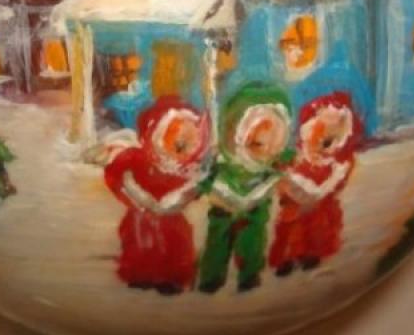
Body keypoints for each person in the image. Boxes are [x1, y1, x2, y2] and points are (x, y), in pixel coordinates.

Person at [103, 97, 210, 294]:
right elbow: (118, 173)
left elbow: (195, 188)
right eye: (177, 141)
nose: (182, 147)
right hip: (141, 215)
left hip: (172, 219)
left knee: (175, 243)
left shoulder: (185, 171)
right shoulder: (138, 158)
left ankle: (172, 278)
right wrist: (135, 194)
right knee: (140, 240)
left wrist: (181, 197)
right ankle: (140, 274)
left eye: (188, 143)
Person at [197, 82, 293, 293]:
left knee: (252, 242)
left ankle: (249, 276)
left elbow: (288, 164)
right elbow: (206, 178)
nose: (266, 151)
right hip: (223, 204)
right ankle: (211, 278)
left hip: (255, 207)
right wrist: (201, 188)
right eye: (257, 144)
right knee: (218, 242)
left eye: (273, 145)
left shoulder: (273, 163)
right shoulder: (225, 159)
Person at [269, 92, 361, 275]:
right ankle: (286, 257)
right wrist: (284, 183)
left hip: (320, 204)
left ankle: (310, 253)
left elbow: (334, 184)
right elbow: (283, 173)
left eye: (327, 141)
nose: (318, 146)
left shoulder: (336, 164)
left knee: (316, 227)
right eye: (314, 138)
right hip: (294, 202)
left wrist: (325, 187)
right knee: (290, 227)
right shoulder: (298, 156)